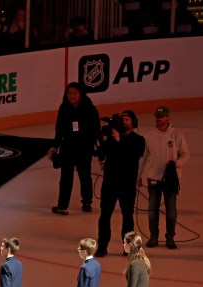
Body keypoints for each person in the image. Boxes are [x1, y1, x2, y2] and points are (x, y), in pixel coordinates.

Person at [139, 106, 190, 249]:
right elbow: (143, 158)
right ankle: (153, 237)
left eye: (161, 116)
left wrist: (177, 163)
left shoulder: (177, 135)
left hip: (171, 180)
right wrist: (138, 176)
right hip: (153, 178)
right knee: (152, 209)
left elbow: (186, 154)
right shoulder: (149, 136)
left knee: (171, 209)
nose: (159, 119)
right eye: (157, 116)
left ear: (168, 117)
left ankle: (170, 238)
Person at [96, 110, 145, 257]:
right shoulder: (112, 137)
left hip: (127, 185)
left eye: (127, 119)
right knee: (105, 215)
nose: (124, 122)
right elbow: (101, 153)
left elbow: (133, 156)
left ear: (133, 123)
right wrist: (104, 139)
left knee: (127, 217)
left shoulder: (138, 140)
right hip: (110, 183)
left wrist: (120, 141)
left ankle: (128, 247)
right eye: (122, 119)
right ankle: (102, 246)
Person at [47, 82, 101, 215]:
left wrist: (99, 146)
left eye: (74, 93)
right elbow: (59, 129)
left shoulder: (90, 109)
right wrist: (55, 146)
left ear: (80, 94)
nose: (71, 96)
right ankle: (62, 205)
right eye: (69, 93)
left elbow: (96, 129)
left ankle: (87, 202)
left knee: (85, 176)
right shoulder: (64, 108)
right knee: (66, 177)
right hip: (68, 147)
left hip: (84, 147)